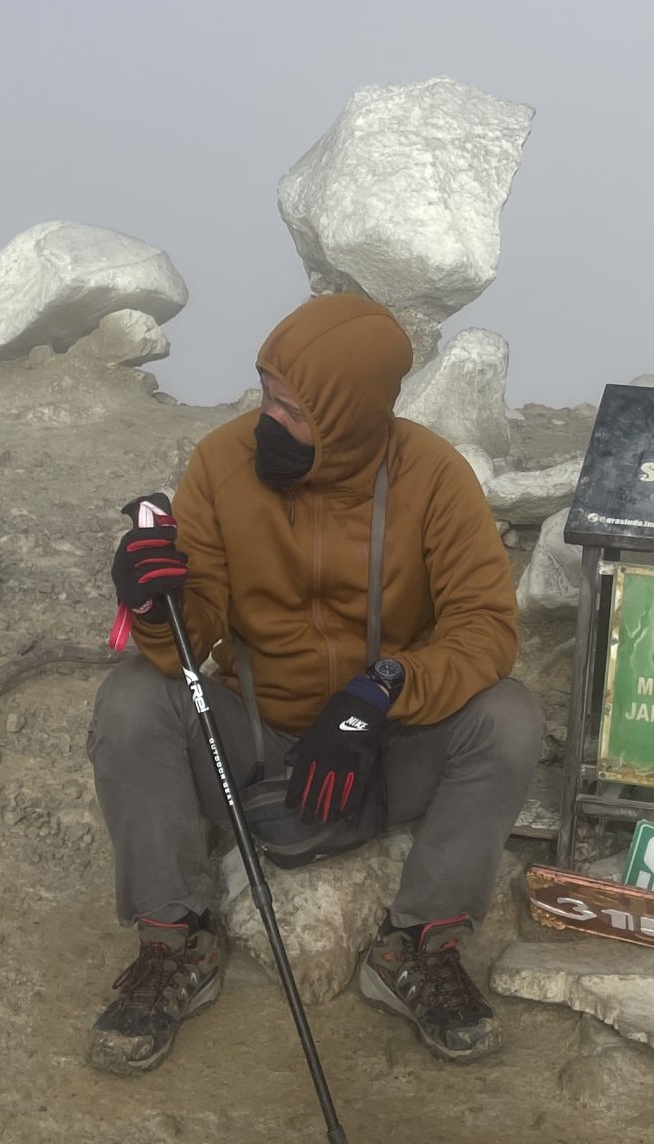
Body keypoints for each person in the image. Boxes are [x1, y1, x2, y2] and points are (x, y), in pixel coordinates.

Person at [86, 292, 542, 1078]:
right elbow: (190, 645)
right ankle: (175, 936)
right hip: (252, 741)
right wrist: (151, 603)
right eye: (267, 394)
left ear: (352, 413)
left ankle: (419, 945)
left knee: (509, 720)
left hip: (383, 743)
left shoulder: (433, 476)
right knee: (130, 699)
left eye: (293, 409)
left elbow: (485, 630)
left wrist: (378, 696)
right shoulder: (223, 466)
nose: (269, 421)